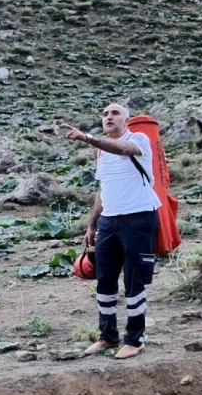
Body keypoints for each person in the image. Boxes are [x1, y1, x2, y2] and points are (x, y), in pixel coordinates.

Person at [65, 103, 162, 360]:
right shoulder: (101, 153)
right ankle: (107, 337)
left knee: (134, 280)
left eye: (115, 113)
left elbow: (121, 149)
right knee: (104, 279)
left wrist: (87, 138)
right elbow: (103, 189)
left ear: (127, 120)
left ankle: (135, 340)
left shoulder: (138, 139)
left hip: (138, 218)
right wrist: (92, 223)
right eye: (105, 113)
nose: (109, 117)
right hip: (109, 221)